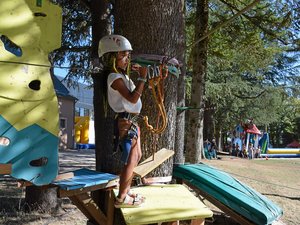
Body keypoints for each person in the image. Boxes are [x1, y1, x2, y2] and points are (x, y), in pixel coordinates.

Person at [98, 34, 147, 208]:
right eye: (123, 55)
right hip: (126, 119)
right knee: (131, 158)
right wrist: (142, 78)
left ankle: (126, 189)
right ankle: (122, 197)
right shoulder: (114, 77)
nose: (127, 59)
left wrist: (141, 77)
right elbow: (133, 99)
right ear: (112, 57)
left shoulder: (122, 77)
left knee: (137, 156)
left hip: (132, 119)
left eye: (127, 55)